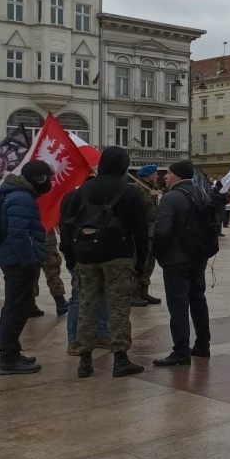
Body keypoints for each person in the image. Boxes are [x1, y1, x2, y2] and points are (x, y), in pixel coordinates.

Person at [60, 147, 148, 378]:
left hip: (86, 257)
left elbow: (67, 225)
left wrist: (71, 256)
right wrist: (141, 264)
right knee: (119, 309)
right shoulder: (130, 192)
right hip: (119, 257)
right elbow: (141, 231)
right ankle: (120, 359)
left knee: (87, 307)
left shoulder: (83, 190)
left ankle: (85, 361)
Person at [151, 160, 214, 367]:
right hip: (198, 256)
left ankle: (181, 351)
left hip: (176, 259)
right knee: (198, 299)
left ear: (177, 175)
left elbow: (161, 230)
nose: (165, 177)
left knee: (178, 304)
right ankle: (203, 345)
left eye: (168, 173)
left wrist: (159, 254)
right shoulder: (203, 193)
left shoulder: (171, 198)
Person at [0, 161, 53, 374]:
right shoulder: (22, 198)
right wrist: (29, 260)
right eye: (48, 177)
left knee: (13, 308)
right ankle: (8, 358)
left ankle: (9, 351)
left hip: (12, 259)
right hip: (18, 262)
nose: (50, 181)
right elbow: (18, 233)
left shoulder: (16, 194)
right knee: (15, 309)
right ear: (40, 178)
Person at [59, 177, 112, 357]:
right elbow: (66, 228)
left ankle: (102, 333)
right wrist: (70, 256)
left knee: (103, 294)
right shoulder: (73, 197)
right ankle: (73, 339)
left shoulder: (103, 197)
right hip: (79, 255)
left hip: (102, 255)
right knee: (78, 297)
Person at [131, 164, 162, 306]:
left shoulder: (149, 189)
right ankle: (134, 293)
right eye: (155, 174)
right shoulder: (136, 189)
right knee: (140, 263)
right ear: (148, 176)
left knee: (150, 264)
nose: (157, 177)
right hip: (141, 233)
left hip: (152, 232)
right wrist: (149, 197)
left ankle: (144, 291)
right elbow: (136, 208)